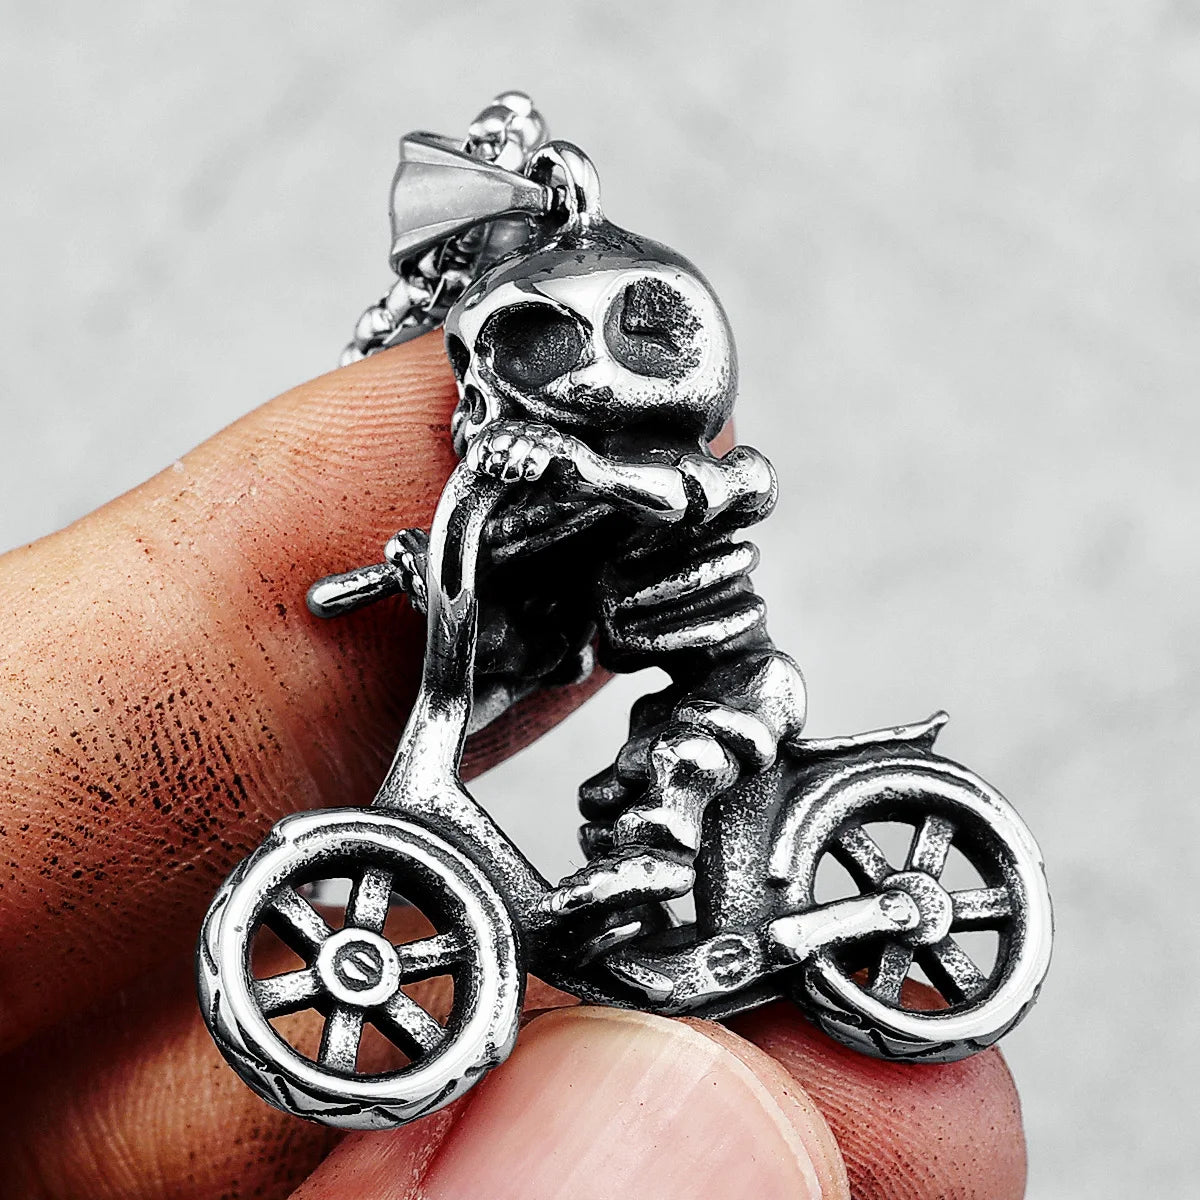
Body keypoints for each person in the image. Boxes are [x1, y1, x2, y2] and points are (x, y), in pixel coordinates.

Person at [0, 336, 1026, 1199]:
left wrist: (581, 469)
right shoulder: (592, 520)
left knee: (672, 774)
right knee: (612, 794)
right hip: (677, 692)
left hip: (739, 687)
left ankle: (664, 883)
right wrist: (434, 564)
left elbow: (681, 489)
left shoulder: (711, 477)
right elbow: (537, 568)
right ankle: (634, 898)